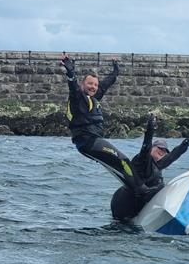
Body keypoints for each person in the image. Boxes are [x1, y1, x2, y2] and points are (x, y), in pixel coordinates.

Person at [59, 54, 158, 199]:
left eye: (95, 84)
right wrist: (70, 72)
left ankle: (134, 192)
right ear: (82, 85)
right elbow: (73, 86)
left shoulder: (94, 98)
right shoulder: (78, 97)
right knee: (123, 161)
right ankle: (142, 190)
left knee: (117, 166)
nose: (93, 87)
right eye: (90, 83)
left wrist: (116, 69)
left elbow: (107, 83)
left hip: (87, 144)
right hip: (89, 141)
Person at [110, 115, 189, 219]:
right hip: (123, 205)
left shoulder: (158, 164)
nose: (162, 152)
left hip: (138, 205)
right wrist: (150, 129)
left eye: (165, 151)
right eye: (160, 148)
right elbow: (146, 145)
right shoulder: (142, 160)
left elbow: (173, 155)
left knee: (162, 186)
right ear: (152, 148)